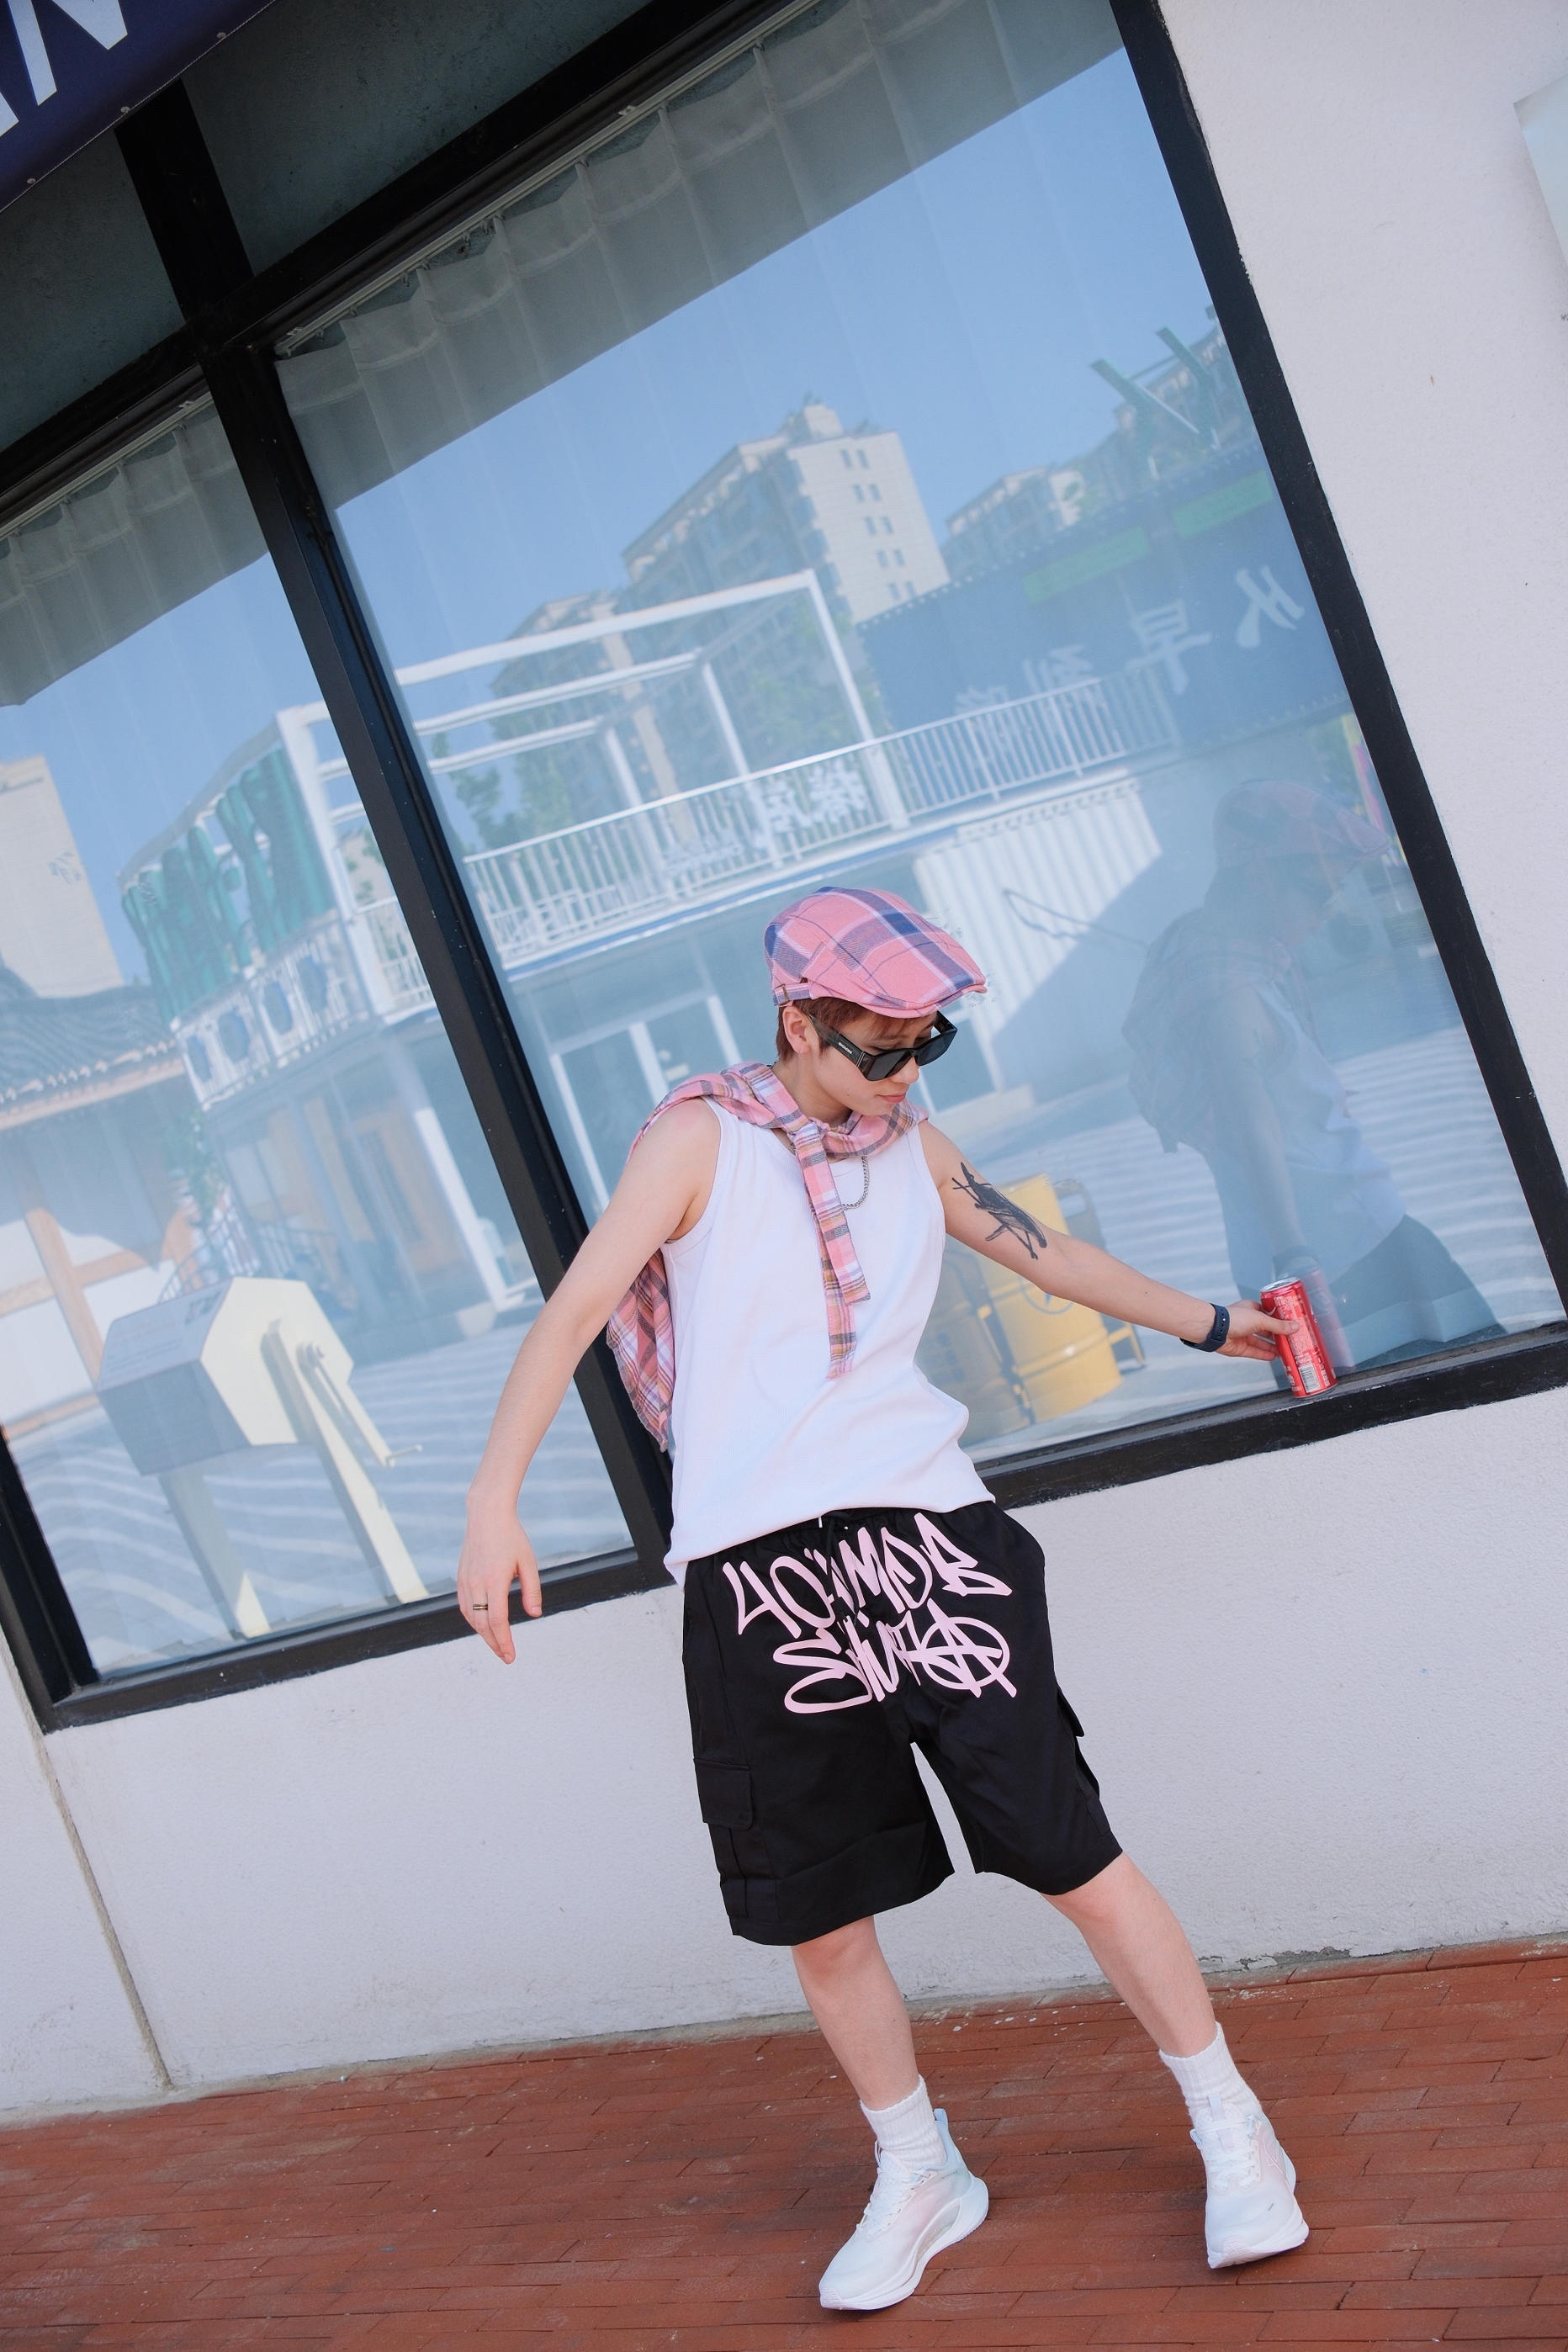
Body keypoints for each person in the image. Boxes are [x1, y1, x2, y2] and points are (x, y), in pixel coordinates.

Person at [459, 884, 1309, 2312]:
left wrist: (1214, 1324)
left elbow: (1045, 1252)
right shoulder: (701, 1139)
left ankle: (1233, 2124)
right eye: (878, 1048)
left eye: (929, 1045)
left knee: (1070, 1852)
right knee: (824, 1910)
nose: (904, 1073)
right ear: (796, 1022)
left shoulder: (916, 1144)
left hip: (927, 1534)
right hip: (754, 1567)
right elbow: (575, 1309)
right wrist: (495, 1501)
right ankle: (919, 2168)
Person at [1124, 781, 1502, 1369]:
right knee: (1474, 1376)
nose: (1331, 911)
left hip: (1311, 1245)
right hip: (1347, 1248)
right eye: (1321, 890)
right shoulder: (1231, 996)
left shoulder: (1205, 956)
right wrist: (1296, 1257)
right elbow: (1255, 1131)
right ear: (1260, 878)